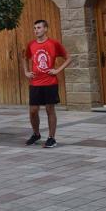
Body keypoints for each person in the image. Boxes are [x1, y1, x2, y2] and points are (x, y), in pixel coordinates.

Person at [23, 19, 71, 148]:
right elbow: (25, 58)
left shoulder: (54, 43)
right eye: (34, 28)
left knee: (50, 109)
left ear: (46, 29)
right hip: (35, 83)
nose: (36, 30)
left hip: (50, 82)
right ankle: (36, 134)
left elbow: (68, 58)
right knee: (33, 111)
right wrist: (26, 72)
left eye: (38, 27)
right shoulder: (31, 44)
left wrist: (57, 70)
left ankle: (51, 138)